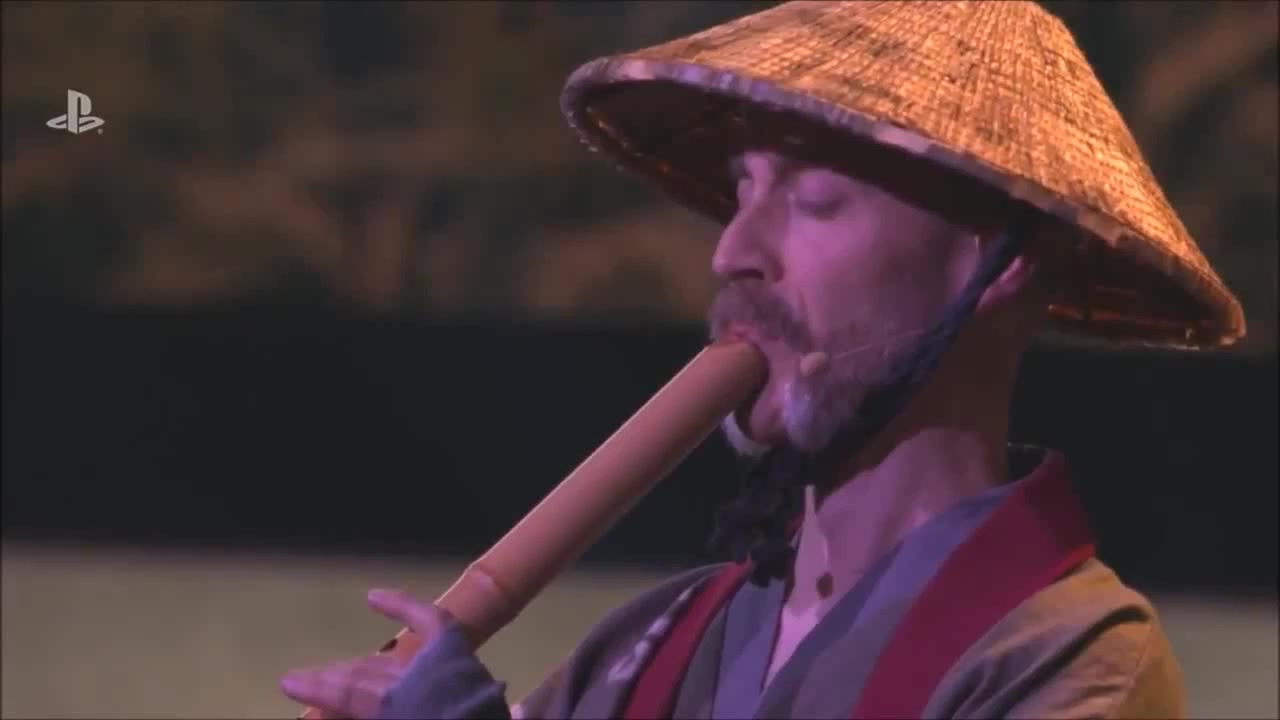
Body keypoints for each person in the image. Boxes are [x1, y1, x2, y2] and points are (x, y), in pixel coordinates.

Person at [279, 2, 1246, 718]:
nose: (733, 251)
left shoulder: (1070, 663)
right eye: (744, 190)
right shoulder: (656, 643)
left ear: (998, 261)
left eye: (815, 199)